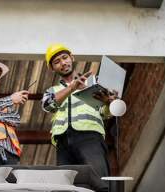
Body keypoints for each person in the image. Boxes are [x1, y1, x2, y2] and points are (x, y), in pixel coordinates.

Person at [42, 44, 118, 179]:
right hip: (63, 140)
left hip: (90, 135)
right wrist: (72, 87)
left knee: (98, 177)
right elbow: (47, 105)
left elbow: (105, 112)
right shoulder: (53, 90)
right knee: (67, 183)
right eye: (57, 62)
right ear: (52, 68)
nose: (63, 63)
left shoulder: (94, 82)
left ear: (72, 57)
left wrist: (108, 102)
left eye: (65, 58)